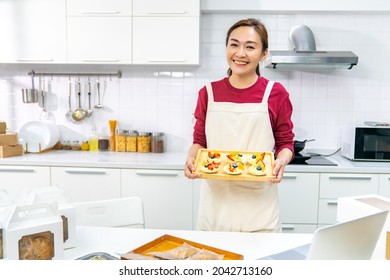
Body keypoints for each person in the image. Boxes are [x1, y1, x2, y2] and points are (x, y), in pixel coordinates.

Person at [184, 18, 295, 233]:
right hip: (215, 207)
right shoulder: (208, 93)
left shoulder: (275, 93)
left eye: (250, 47)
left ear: (264, 54)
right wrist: (191, 158)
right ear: (226, 48)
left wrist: (281, 160)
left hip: (259, 208)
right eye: (234, 44)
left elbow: (285, 143)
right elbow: (199, 141)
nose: (240, 53)